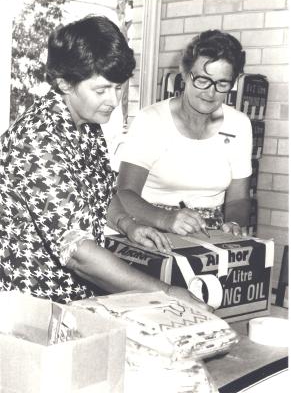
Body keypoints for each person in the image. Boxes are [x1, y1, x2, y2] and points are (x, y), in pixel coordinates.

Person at [0, 16, 208, 310]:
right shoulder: (38, 141)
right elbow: (78, 253)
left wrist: (127, 224)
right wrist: (167, 294)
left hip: (76, 298)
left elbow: (99, 191)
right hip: (32, 304)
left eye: (119, 88)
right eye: (101, 90)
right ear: (64, 82)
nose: (113, 101)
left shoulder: (86, 122)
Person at [115, 29, 252, 239]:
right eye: (202, 80)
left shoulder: (239, 125)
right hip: (151, 229)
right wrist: (166, 218)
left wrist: (233, 222)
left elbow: (238, 199)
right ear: (185, 75)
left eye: (222, 83)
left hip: (210, 233)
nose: (210, 92)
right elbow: (124, 194)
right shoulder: (150, 121)